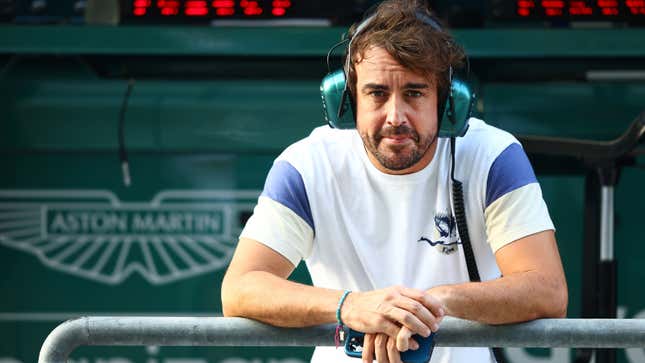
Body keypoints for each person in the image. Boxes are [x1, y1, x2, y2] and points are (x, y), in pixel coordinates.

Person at [221, 0, 568, 362]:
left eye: (415, 93)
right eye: (377, 93)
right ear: (348, 99)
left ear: (447, 102)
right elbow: (241, 288)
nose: (395, 116)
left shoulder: (492, 154)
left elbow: (547, 290)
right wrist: (351, 305)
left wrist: (433, 303)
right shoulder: (306, 164)